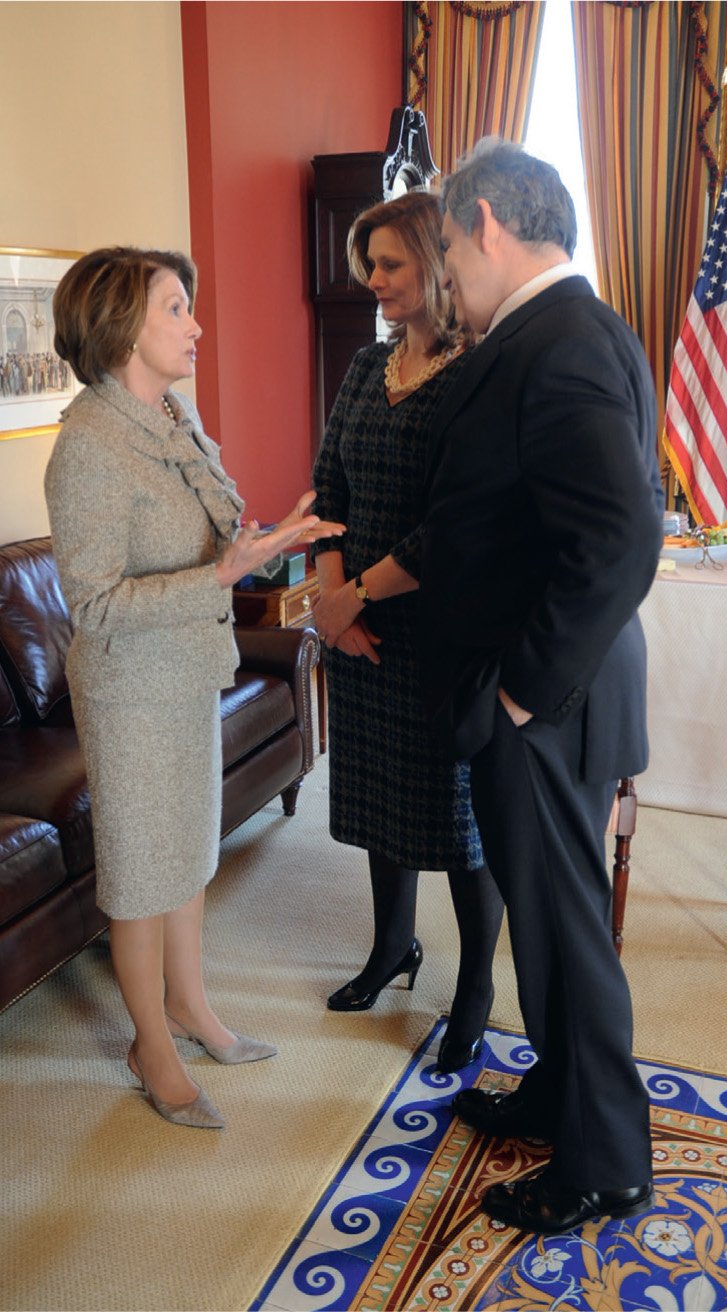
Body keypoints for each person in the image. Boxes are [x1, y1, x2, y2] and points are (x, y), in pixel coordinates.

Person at [419, 141, 664, 1233]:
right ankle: (558, 1093)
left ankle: (605, 1163)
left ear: (484, 223)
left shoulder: (557, 338)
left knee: (569, 931)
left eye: (443, 248)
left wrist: (520, 692)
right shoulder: (573, 325)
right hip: (554, 689)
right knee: (549, 921)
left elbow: (620, 535)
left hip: (545, 699)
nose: (442, 277)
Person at [44, 246, 344, 1130]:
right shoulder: (87, 449)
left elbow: (213, 533)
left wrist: (266, 540)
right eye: (178, 308)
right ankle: (152, 1047)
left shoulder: (172, 415)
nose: (196, 324)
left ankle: (192, 1007)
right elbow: (94, 606)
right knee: (141, 877)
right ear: (124, 327)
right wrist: (222, 577)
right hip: (130, 692)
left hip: (186, 675)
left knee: (187, 858)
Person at [311, 192, 504, 1073]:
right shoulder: (363, 367)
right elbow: (329, 491)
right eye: (368, 266)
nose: (373, 282)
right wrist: (329, 599)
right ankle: (394, 949)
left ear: (436, 261)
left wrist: (353, 600)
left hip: (438, 633)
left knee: (460, 820)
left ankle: (474, 989)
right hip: (358, 632)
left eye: (388, 264)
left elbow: (455, 526)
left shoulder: (480, 372)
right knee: (382, 800)